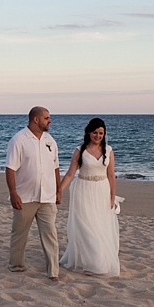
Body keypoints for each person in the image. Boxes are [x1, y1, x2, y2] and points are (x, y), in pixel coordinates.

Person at [59, 117, 121, 277]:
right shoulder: (80, 150)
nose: (98, 136)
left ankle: (99, 260)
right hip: (83, 190)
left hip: (102, 190)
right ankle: (91, 261)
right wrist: (59, 190)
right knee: (87, 226)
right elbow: (71, 173)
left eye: (101, 133)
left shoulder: (109, 151)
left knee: (100, 226)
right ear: (88, 132)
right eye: (95, 132)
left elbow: (111, 175)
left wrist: (112, 196)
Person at [5, 106, 61, 281]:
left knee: (50, 234)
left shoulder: (50, 141)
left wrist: (58, 191)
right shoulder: (18, 140)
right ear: (36, 119)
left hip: (47, 197)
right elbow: (10, 169)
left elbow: (56, 167)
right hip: (25, 196)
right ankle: (16, 265)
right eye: (46, 118)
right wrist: (13, 193)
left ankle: (53, 272)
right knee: (20, 233)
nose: (50, 120)